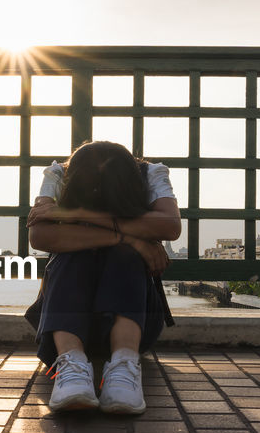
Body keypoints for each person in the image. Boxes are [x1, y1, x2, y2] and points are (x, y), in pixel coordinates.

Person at [25, 140, 181, 415]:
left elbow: (170, 224)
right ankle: (70, 363)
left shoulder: (151, 173)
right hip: (61, 323)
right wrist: (129, 238)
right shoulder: (58, 173)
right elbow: (40, 236)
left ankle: (124, 364)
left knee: (124, 256)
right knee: (71, 254)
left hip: (138, 322)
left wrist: (80, 214)